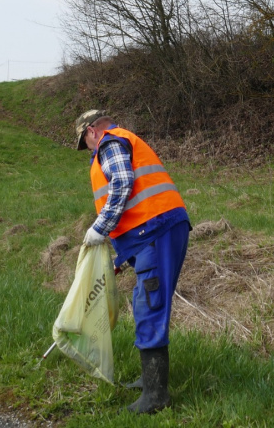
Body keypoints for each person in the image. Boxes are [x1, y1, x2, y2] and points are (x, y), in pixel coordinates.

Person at [74, 109, 191, 414]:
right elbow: (136, 205)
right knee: (145, 300)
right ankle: (150, 380)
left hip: (157, 229)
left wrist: (99, 227)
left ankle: (156, 396)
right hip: (152, 231)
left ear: (91, 131)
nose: (87, 149)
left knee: (148, 304)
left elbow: (122, 184)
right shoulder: (120, 142)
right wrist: (121, 258)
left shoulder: (110, 143)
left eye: (84, 142)